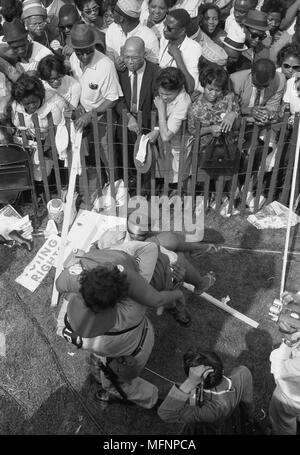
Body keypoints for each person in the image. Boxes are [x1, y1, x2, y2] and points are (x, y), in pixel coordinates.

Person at [157, 348, 255, 434]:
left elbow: (165, 413)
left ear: (197, 381)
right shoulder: (243, 372)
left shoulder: (210, 411)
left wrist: (190, 383)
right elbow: (247, 403)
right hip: (233, 416)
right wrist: (248, 418)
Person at [115, 36, 160, 184]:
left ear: (144, 54)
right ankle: (130, 184)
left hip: (147, 122)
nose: (130, 61)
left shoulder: (155, 72)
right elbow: (118, 97)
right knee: (126, 156)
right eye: (126, 57)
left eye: (134, 58)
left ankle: (146, 187)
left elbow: (158, 102)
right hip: (126, 122)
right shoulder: (120, 71)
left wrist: (156, 127)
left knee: (146, 158)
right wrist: (129, 117)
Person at [10, 73, 66, 181]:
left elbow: (57, 131)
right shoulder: (15, 106)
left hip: (49, 144)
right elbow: (15, 126)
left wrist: (42, 150)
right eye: (27, 103)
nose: (31, 106)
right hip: (26, 144)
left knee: (44, 173)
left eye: (34, 102)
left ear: (40, 96)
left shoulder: (55, 103)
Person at [146, 67, 192, 186]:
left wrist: (161, 110)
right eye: (161, 93)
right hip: (166, 148)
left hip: (179, 147)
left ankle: (181, 199)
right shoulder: (164, 88)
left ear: (178, 89)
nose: (164, 97)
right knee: (169, 177)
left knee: (180, 178)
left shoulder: (183, 103)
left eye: (168, 94)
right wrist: (156, 130)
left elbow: (166, 136)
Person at [269, 291, 300, 435]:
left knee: (282, 420)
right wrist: (297, 300)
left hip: (291, 397)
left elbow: (279, 372)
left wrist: (289, 341)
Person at [188, 65, 239, 151]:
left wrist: (233, 114)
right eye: (210, 89)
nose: (213, 94)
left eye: (217, 90)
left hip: (229, 149)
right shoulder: (195, 108)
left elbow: (238, 125)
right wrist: (209, 129)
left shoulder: (229, 97)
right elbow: (193, 131)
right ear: (203, 85)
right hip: (205, 152)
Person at [105, 0, 160, 69]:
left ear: (121, 18)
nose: (112, 13)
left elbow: (154, 67)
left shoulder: (149, 38)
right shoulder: (112, 28)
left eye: (114, 11)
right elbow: (109, 54)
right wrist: (114, 65)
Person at [158, 8, 202, 93]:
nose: (164, 30)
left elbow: (190, 87)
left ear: (182, 31)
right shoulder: (164, 38)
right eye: (164, 25)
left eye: (169, 28)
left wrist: (178, 57)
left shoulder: (194, 48)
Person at [230, 58, 285, 124]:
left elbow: (272, 106)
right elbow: (233, 110)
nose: (260, 88)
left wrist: (266, 114)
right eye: (256, 84)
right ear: (251, 74)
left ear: (272, 79)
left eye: (265, 86)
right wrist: (250, 112)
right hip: (239, 122)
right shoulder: (236, 81)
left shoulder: (279, 80)